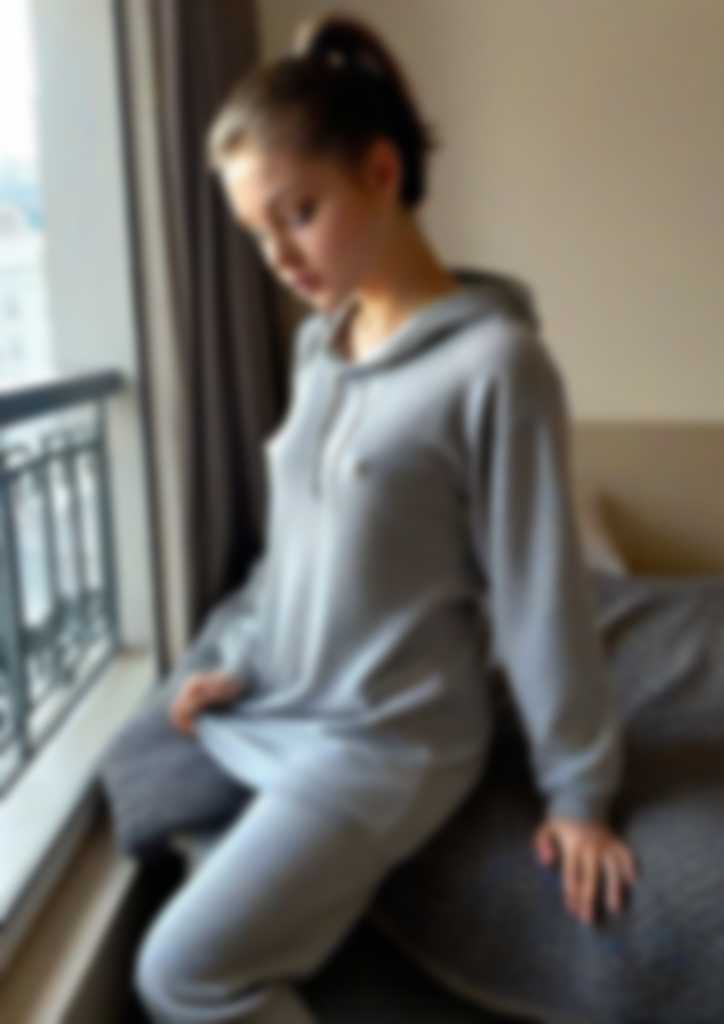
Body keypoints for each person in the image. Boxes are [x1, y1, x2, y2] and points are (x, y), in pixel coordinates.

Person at [134, 11, 638, 1024]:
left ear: (380, 171)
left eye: (298, 213)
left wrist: (580, 795)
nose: (278, 255)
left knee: (178, 972)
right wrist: (243, 653)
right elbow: (298, 545)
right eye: (257, 232)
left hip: (389, 742)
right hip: (292, 703)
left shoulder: (498, 367)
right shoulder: (320, 347)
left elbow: (541, 592)